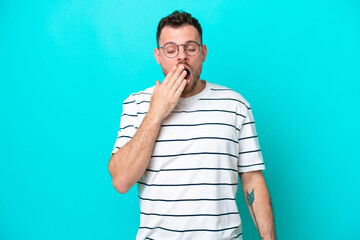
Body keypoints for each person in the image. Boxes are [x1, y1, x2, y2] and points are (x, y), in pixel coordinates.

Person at [108, 10, 276, 240]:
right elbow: (121, 180)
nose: (181, 57)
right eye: (171, 50)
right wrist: (156, 112)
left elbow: (252, 179)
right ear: (158, 56)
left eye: (190, 48)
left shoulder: (235, 105)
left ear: (203, 52)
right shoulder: (136, 104)